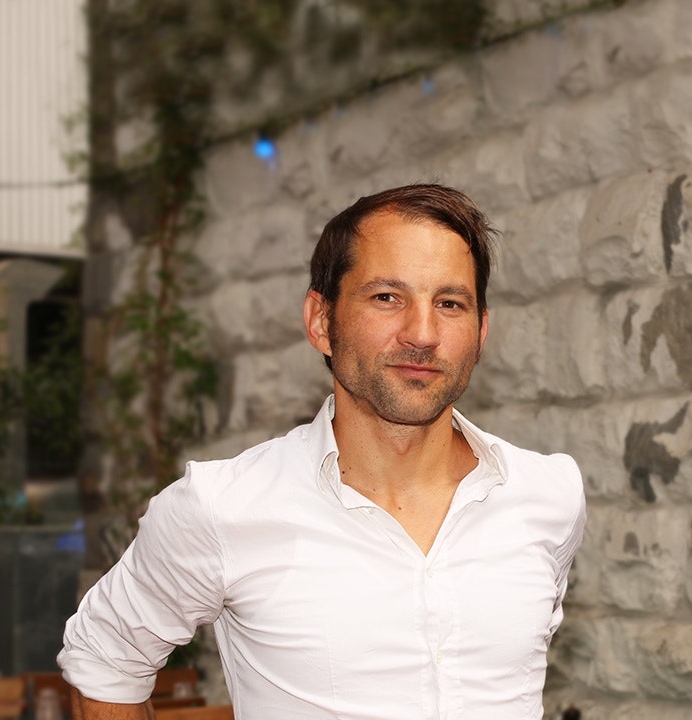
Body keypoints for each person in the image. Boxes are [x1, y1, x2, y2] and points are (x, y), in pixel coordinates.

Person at [58, 184, 587, 719]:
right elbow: (105, 662)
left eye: (450, 303)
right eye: (387, 297)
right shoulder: (222, 507)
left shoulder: (548, 495)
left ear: (480, 331)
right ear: (321, 321)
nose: (423, 333)